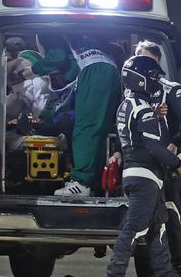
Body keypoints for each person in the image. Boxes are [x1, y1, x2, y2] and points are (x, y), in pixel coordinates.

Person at [106, 55, 181, 277]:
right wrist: (177, 162)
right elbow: (153, 146)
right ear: (140, 80)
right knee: (131, 232)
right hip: (145, 180)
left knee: (157, 233)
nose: (155, 81)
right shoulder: (142, 109)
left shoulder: (126, 105)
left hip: (139, 178)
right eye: (152, 77)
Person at [24, 33, 120, 196]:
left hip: (94, 71)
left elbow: (58, 57)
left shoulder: (47, 28)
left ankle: (82, 182)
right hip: (108, 71)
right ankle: (93, 182)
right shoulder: (74, 32)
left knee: (85, 129)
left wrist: (32, 70)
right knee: (97, 130)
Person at [136, 40, 181, 275]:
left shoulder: (171, 88)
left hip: (167, 165)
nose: (141, 64)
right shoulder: (133, 91)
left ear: (158, 60)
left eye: (146, 58)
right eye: (138, 59)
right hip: (141, 165)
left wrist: (175, 144)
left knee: (170, 212)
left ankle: (176, 264)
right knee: (144, 218)